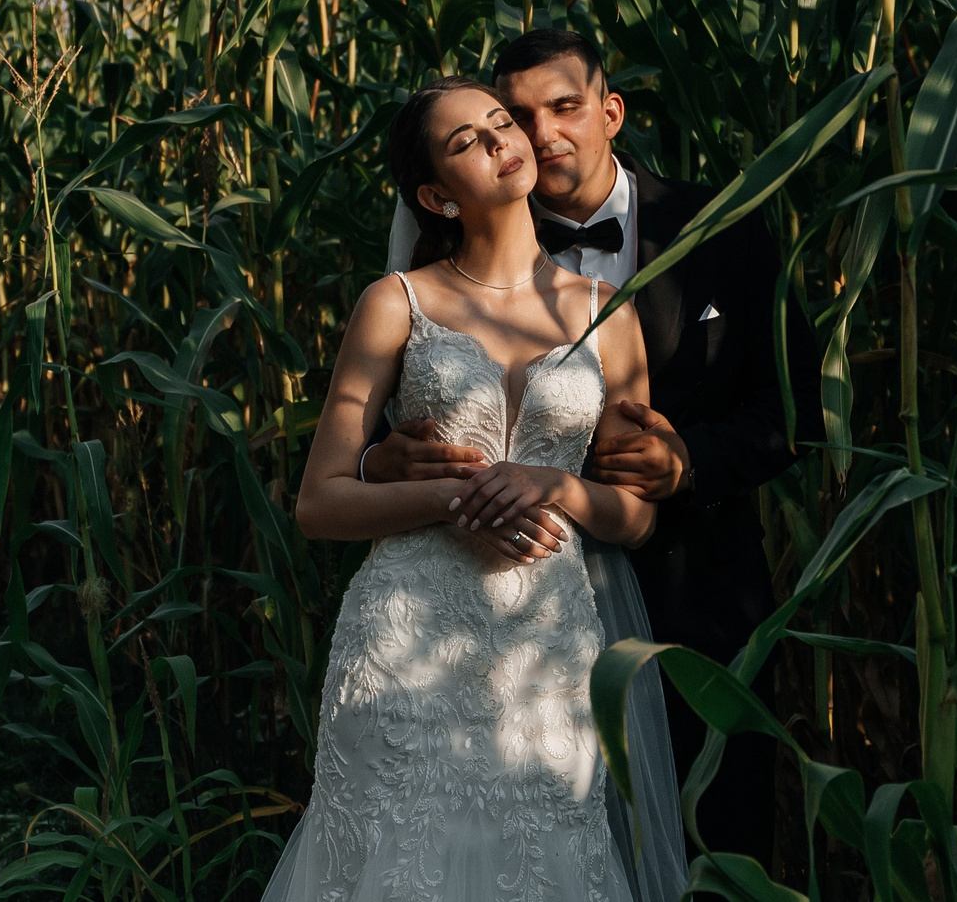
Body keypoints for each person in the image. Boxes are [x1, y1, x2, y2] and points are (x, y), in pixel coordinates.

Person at [369, 28, 821, 871]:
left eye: (566, 107)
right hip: (512, 629)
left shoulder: (724, 226)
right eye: (518, 114)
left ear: (611, 111)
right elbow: (377, 429)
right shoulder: (465, 245)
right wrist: (377, 460)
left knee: (716, 847)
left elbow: (796, 409)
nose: (541, 134)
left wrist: (690, 461)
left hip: (697, 604)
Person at [264, 74, 668, 902]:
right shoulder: (397, 303)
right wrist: (457, 502)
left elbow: (635, 517)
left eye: (499, 123)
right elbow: (320, 501)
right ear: (435, 196)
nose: (500, 141)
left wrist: (556, 485)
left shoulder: (610, 313)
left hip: (547, 648)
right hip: (406, 641)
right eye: (466, 143)